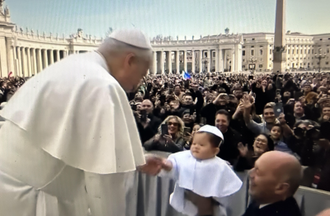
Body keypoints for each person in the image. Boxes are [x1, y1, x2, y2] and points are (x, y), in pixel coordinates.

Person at [0, 29, 151, 216]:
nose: (140, 82)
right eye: (142, 74)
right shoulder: (104, 86)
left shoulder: (70, 66)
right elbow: (103, 182)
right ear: (130, 60)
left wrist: (134, 160)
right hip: (34, 202)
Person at [140, 125, 243, 216]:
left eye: (201, 145)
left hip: (210, 210)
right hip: (186, 203)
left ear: (215, 151)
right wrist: (165, 165)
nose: (196, 147)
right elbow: (175, 168)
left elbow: (226, 192)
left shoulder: (220, 166)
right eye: (194, 143)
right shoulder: (184, 157)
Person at [242, 151, 302, 216]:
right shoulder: (263, 200)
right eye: (254, 168)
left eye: (258, 172)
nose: (251, 174)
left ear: (280, 188)